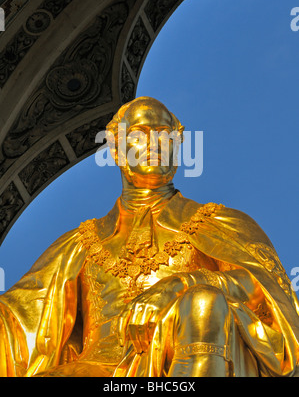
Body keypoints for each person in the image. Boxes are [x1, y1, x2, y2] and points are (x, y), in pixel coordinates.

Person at [0, 96, 298, 377]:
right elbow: (18, 316)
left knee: (202, 302)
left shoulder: (221, 223)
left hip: (179, 359)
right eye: (141, 134)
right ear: (117, 150)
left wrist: (183, 283)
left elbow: (267, 290)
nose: (156, 143)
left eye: (165, 135)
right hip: (93, 367)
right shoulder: (79, 244)